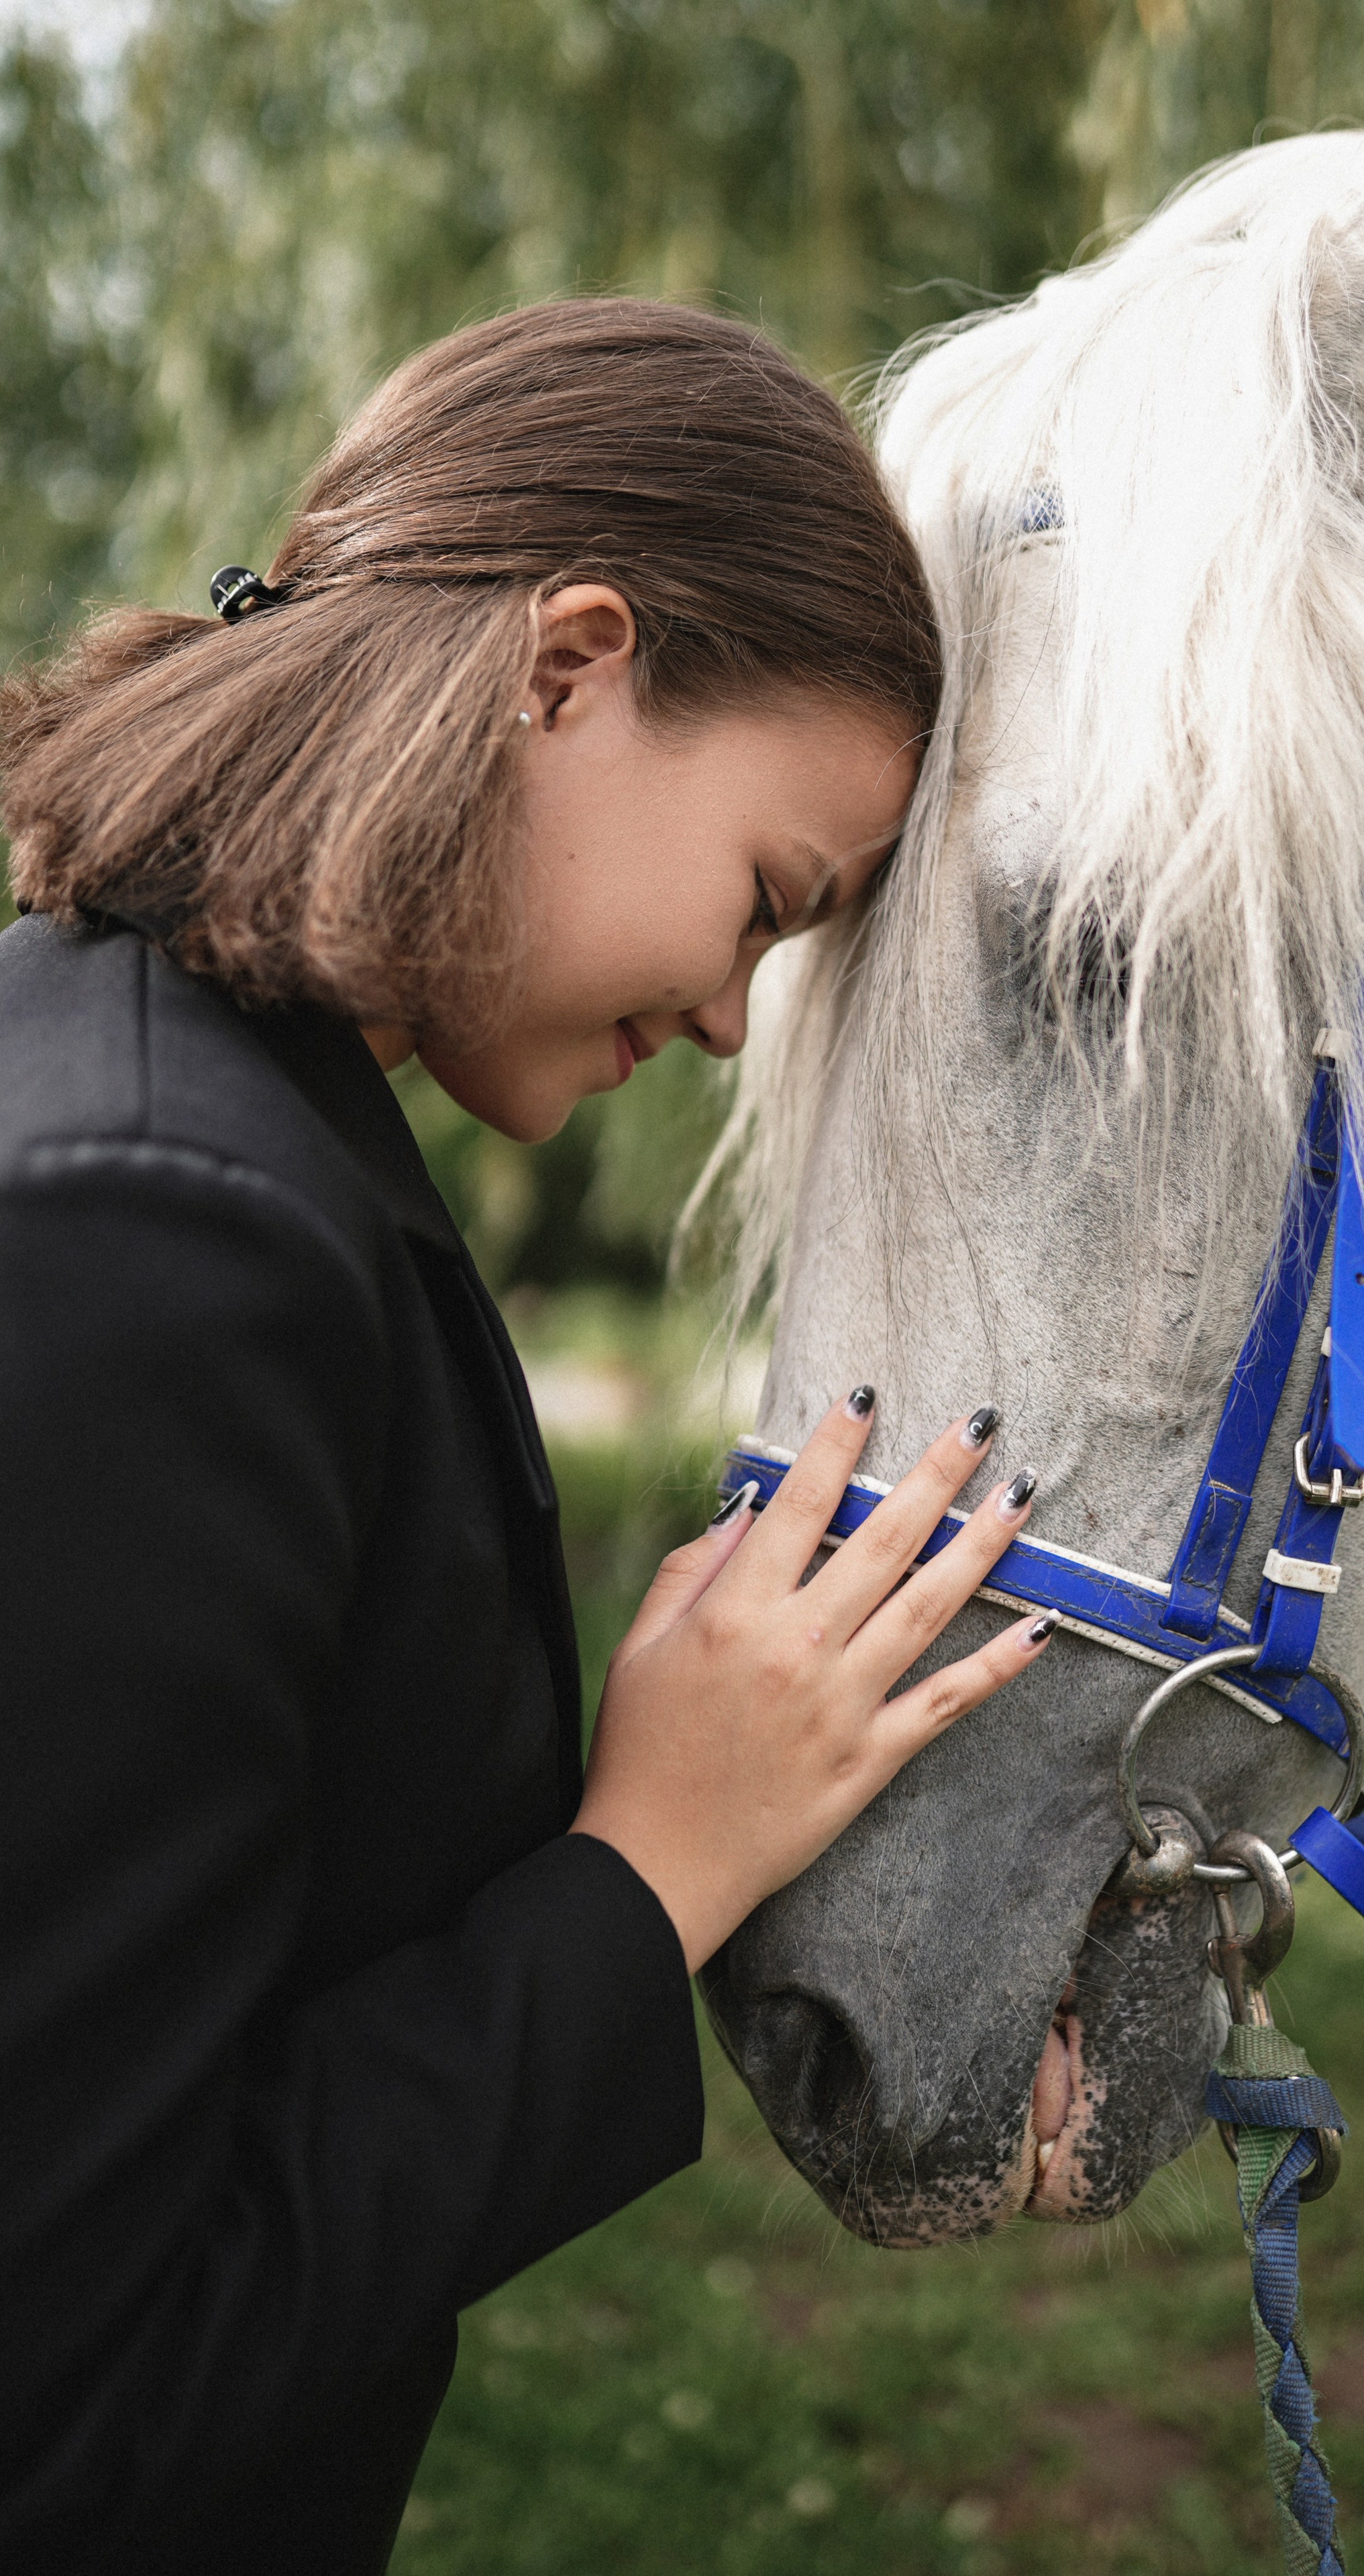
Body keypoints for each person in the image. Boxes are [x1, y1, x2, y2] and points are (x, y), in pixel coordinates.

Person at [0, 298, 1056, 2576]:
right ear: (567, 663)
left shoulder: (174, 1103)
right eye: (773, 898)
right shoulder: (159, 1236)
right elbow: (63, 2378)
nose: (720, 1008)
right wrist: (652, 1863)